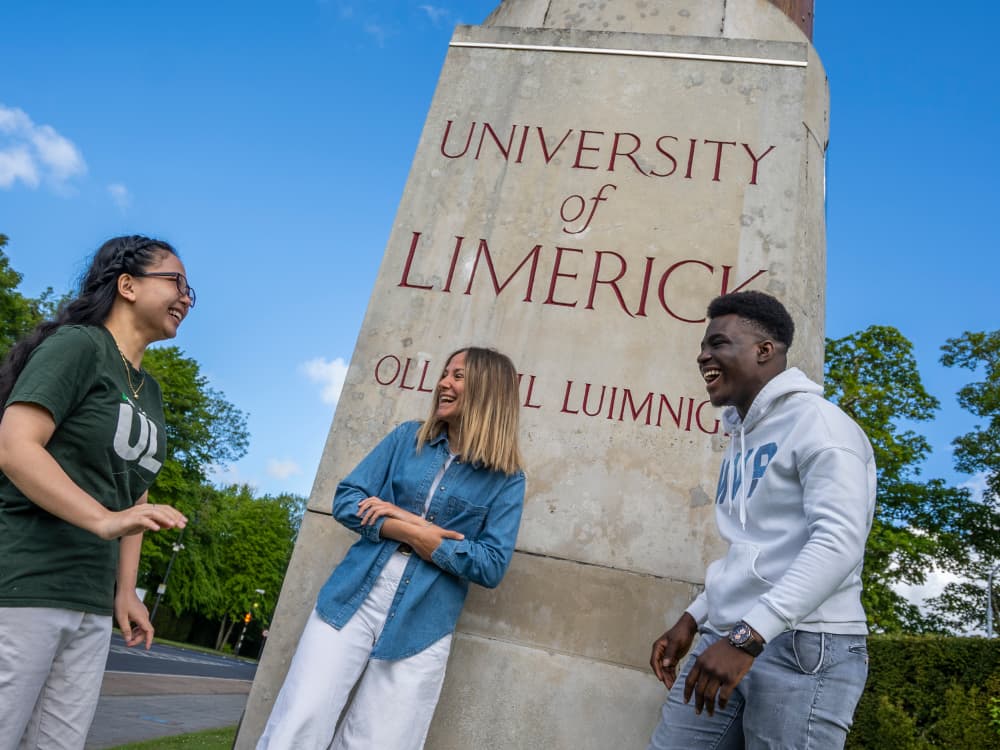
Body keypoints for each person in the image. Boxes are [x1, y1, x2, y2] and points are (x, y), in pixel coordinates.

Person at [258, 347, 526, 750]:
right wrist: (417, 532)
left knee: (379, 742)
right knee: (299, 723)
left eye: (457, 377)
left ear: (488, 391)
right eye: (444, 374)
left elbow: (491, 564)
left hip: (423, 621)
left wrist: (413, 528)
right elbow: (348, 500)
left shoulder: (507, 478)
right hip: (351, 599)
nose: (443, 384)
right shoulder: (407, 438)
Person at [647, 290, 876, 750]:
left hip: (805, 648)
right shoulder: (741, 435)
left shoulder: (823, 428)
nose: (702, 356)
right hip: (728, 635)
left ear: (763, 351)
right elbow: (753, 550)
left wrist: (749, 637)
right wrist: (694, 617)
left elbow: (838, 544)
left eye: (718, 343)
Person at [0, 235, 191, 750]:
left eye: (191, 290)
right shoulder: (79, 347)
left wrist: (125, 591)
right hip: (25, 584)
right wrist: (102, 520)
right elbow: (16, 448)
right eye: (176, 281)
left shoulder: (148, 390)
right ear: (127, 285)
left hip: (89, 600)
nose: (187, 297)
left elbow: (135, 498)